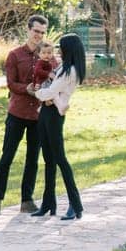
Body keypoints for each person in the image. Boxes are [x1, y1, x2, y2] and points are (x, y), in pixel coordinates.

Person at [0, 12, 48, 216]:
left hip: (38, 116)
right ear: (28, 30)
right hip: (17, 113)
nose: (38, 35)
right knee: (7, 156)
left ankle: (27, 200)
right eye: (35, 31)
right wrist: (27, 89)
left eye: (42, 32)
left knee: (33, 158)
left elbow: (54, 77)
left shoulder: (46, 55)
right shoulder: (15, 55)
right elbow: (11, 83)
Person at [32, 32, 86, 221]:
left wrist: (38, 93)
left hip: (54, 115)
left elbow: (50, 93)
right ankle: (48, 204)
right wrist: (43, 94)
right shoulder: (63, 67)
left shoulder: (70, 70)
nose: (59, 51)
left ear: (69, 49)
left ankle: (75, 204)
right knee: (48, 159)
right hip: (46, 113)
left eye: (62, 47)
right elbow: (50, 90)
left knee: (60, 159)